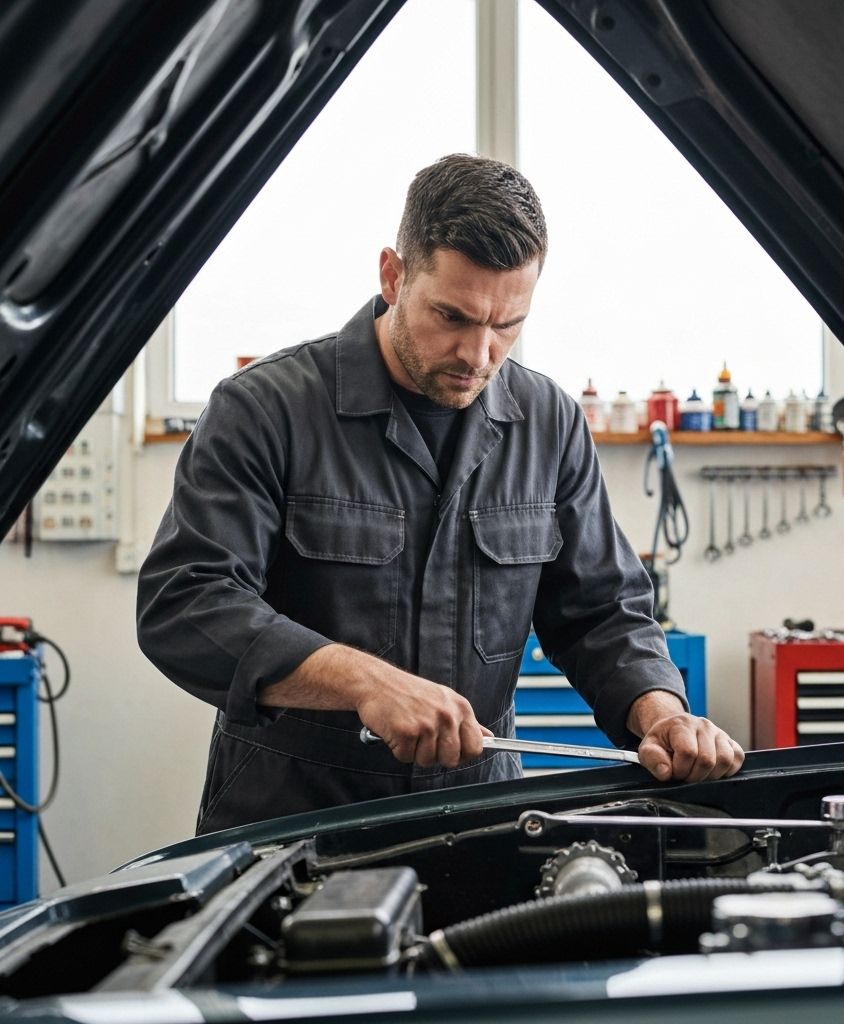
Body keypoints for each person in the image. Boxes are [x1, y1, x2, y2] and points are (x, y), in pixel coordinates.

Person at [137, 154, 743, 834]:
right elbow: (186, 603)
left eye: (507, 326)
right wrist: (365, 683)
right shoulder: (265, 409)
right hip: (292, 818)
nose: (479, 355)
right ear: (393, 275)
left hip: (482, 815)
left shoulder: (549, 422)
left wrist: (659, 711)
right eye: (453, 316)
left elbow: (601, 610)